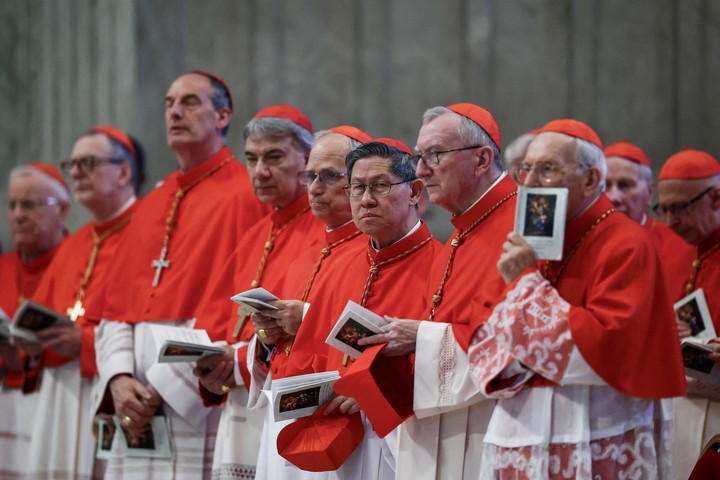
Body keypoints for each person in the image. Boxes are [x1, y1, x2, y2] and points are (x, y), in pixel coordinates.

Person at [467, 119, 686, 478]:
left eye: (548, 169)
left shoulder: (626, 242)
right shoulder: (532, 234)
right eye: (525, 169)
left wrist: (525, 283)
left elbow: (605, 346)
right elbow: (485, 326)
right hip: (523, 425)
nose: (531, 182)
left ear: (590, 180)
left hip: (596, 427)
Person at [90, 71, 269, 480]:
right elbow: (115, 307)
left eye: (189, 102)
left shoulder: (248, 195)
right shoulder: (153, 201)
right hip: (133, 398)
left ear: (223, 115)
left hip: (197, 395)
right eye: (169, 102)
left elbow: (247, 303)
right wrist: (119, 379)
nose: (174, 111)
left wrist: (165, 388)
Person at [354, 104, 515, 479]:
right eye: (419, 156)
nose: (422, 170)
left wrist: (421, 337)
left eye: (434, 155)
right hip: (449, 429)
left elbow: (517, 342)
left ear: (482, 159)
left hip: (491, 428)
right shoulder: (461, 235)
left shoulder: (520, 228)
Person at [216, 125, 372, 480]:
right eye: (311, 176)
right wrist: (267, 337)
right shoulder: (305, 256)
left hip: (336, 422)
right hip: (282, 416)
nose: (315, 189)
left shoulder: (373, 250)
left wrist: (306, 318)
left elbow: (383, 336)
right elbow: (285, 347)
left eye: (330, 177)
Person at [285, 141, 441, 479]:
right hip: (331, 439)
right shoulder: (339, 266)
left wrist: (377, 391)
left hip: (403, 441)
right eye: (357, 188)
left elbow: (446, 357)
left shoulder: (442, 267)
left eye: (380, 186)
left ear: (414, 191)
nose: (366, 199)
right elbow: (308, 356)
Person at [193, 105, 327, 479]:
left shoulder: (325, 231)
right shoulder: (256, 235)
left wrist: (236, 363)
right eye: (251, 159)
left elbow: (310, 327)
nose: (260, 171)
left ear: (308, 157)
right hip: (238, 401)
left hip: (283, 405)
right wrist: (209, 365)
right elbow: (219, 321)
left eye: (274, 157)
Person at [25, 126, 144, 480]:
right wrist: (28, 342)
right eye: (72, 164)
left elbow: (156, 319)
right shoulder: (74, 243)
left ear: (124, 172)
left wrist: (87, 343)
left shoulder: (148, 233)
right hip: (61, 390)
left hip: (112, 387)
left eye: (88, 163)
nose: (75, 173)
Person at [0, 162, 70, 478]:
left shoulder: (78, 261)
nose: (16, 215)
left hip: (57, 407)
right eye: (12, 205)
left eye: (28, 204)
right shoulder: (2, 266)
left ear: (62, 211)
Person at [655, 149, 720, 479]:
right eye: (663, 209)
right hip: (676, 407)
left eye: (679, 208)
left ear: (716, 197)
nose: (670, 221)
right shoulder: (671, 247)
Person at [604, 141, 694, 293]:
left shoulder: (681, 245)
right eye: (605, 186)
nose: (614, 197)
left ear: (650, 192)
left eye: (625, 185)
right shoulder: (583, 242)